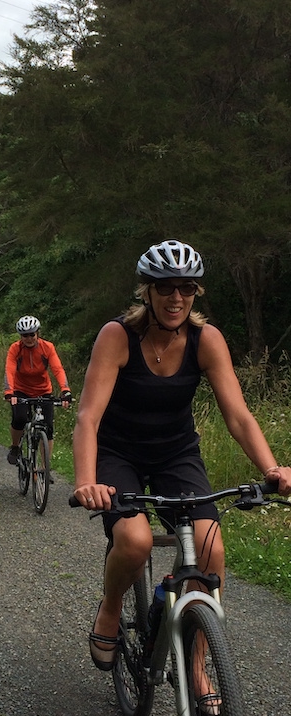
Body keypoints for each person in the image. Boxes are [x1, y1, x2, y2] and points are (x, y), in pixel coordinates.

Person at [72, 240, 291, 687]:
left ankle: (197, 666)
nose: (176, 298)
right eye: (165, 287)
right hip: (119, 453)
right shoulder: (118, 336)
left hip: (176, 453)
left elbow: (238, 415)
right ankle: (112, 605)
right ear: (146, 292)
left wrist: (273, 468)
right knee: (134, 542)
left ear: (196, 293)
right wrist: (85, 481)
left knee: (211, 551)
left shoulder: (205, 340)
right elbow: (88, 417)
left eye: (187, 288)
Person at [4, 315, 72, 473]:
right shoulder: (15, 349)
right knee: (19, 419)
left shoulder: (47, 347)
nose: (28, 338)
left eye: (31, 334)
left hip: (43, 390)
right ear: (20, 336)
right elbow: (9, 369)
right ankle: (15, 447)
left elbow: (57, 369)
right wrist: (9, 392)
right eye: (24, 335)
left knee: (47, 427)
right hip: (21, 390)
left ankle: (44, 467)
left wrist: (65, 390)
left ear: (37, 333)